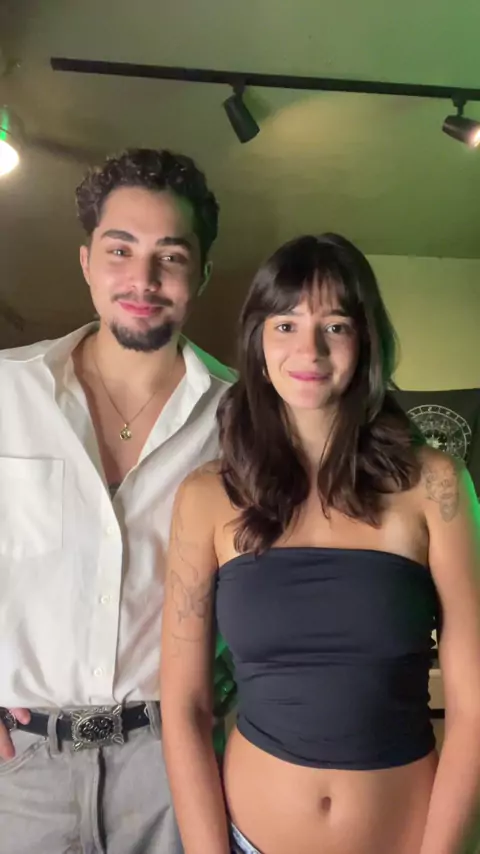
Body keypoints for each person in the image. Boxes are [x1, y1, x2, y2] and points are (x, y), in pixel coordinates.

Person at [161, 233, 480, 854]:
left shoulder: (436, 485)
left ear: (365, 342)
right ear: (258, 342)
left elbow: (473, 705)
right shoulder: (204, 497)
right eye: (286, 325)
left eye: (335, 326)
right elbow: (185, 706)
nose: (309, 349)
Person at [0, 147, 237, 853]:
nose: (143, 279)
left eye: (171, 255)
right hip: (18, 774)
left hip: (177, 771)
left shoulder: (246, 421)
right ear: (86, 261)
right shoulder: (6, 393)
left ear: (202, 272)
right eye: (120, 249)